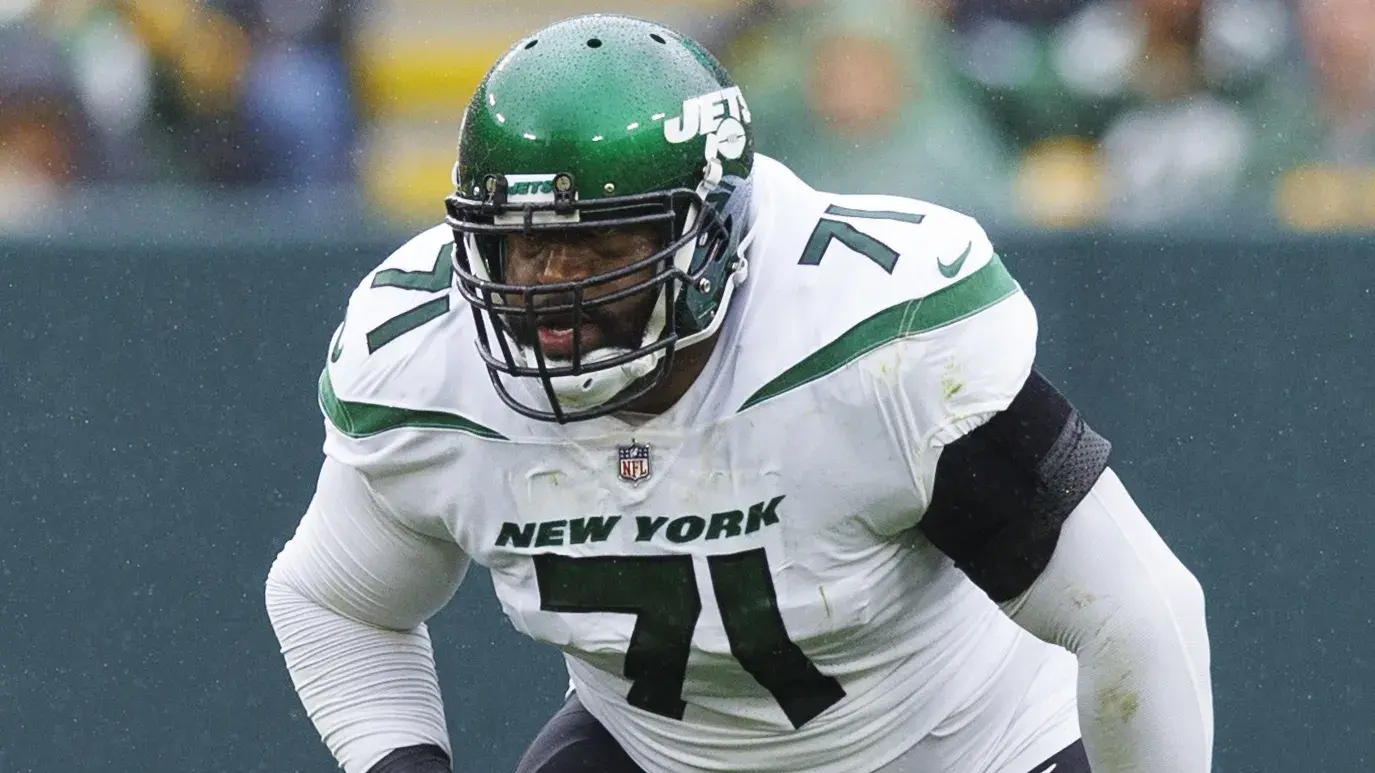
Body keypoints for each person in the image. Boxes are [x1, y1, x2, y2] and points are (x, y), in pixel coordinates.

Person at [265, 14, 1212, 773]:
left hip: (966, 747)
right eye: (520, 245)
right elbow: (336, 600)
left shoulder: (870, 336)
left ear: (712, 237)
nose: (550, 290)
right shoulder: (426, 356)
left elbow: (1136, 614)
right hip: (660, 752)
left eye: (600, 245)